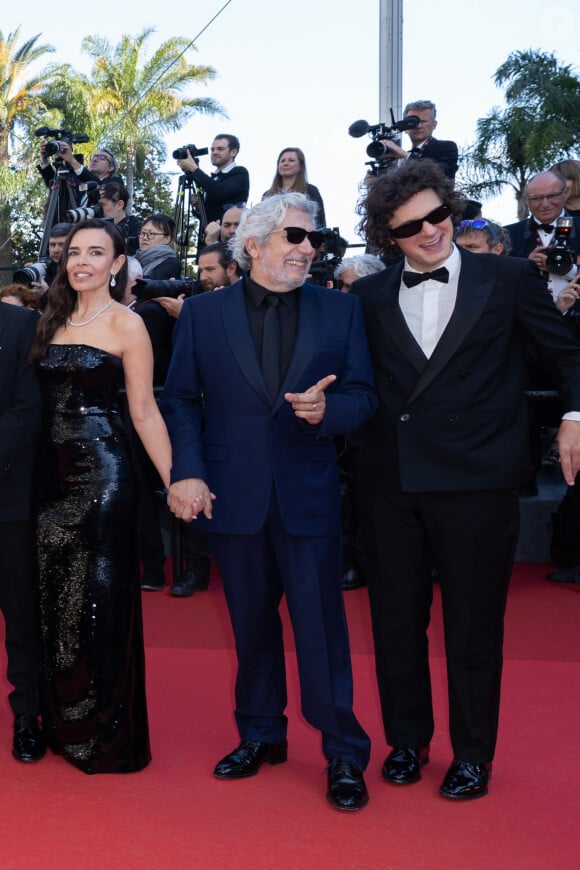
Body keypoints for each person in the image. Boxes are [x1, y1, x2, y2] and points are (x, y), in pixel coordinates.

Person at [351, 159, 580, 800]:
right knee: (396, 621)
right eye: (410, 226)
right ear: (386, 236)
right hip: (391, 481)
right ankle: (407, 741)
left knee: (474, 626)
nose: (430, 232)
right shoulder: (367, 296)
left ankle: (473, 752)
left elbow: (566, 356)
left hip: (478, 481)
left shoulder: (506, 278)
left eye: (438, 215)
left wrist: (574, 416)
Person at [160, 193, 376, 811]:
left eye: (314, 239)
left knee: (323, 632)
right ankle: (260, 735)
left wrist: (328, 411)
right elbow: (179, 400)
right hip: (234, 495)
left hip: (308, 495)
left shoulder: (341, 312)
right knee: (250, 627)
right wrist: (190, 472)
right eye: (295, 237)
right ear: (253, 244)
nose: (308, 249)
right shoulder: (203, 314)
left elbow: (364, 398)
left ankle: (343, 752)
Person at [31, 219, 172, 774]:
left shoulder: (127, 325)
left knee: (102, 606)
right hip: (48, 479)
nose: (82, 261)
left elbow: (144, 411)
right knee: (55, 605)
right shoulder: (48, 319)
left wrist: (173, 479)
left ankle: (106, 735)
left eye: (97, 252)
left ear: (117, 264)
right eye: (73, 252)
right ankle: (63, 725)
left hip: (104, 478)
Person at [0, 302, 45, 764]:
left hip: (8, 497)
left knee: (21, 613)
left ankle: (27, 714)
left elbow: (28, 409)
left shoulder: (21, 324)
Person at [505, 170, 580, 301]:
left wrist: (568, 270)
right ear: (526, 201)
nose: (545, 203)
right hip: (528, 316)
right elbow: (498, 280)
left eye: (552, 196)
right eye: (536, 198)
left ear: (565, 195)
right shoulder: (508, 234)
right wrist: (525, 265)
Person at [176, 134, 250, 224]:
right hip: (211, 235)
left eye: (220, 149)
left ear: (233, 152)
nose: (214, 152)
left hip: (231, 234)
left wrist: (194, 168)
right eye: (212, 149)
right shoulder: (213, 178)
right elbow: (207, 218)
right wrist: (199, 207)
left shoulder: (240, 172)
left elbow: (219, 191)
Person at [380, 100, 458, 180]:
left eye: (423, 121)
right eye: (413, 122)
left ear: (434, 125)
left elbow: (442, 173)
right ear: (405, 128)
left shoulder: (447, 147)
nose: (418, 126)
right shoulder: (397, 156)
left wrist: (406, 156)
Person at [263, 148, 326, 226]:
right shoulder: (267, 195)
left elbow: (320, 223)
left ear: (300, 166)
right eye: (282, 161)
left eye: (291, 160)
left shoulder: (311, 191)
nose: (285, 163)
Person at [98, 181, 141, 255]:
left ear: (119, 205)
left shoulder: (137, 229)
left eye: (102, 205)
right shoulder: (96, 226)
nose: (98, 209)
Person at [134, 213, 182, 280]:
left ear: (167, 239)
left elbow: (148, 284)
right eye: (143, 233)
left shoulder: (171, 263)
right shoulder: (131, 260)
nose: (145, 238)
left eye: (151, 234)